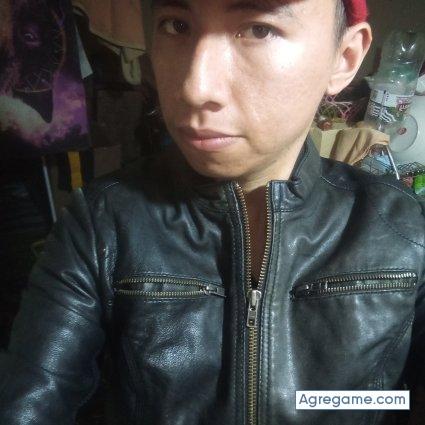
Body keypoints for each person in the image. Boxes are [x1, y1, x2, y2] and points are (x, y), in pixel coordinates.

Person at [1, 0, 424, 424]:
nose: (194, 88)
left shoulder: (404, 231)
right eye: (176, 25)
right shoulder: (102, 223)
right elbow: (30, 400)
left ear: (344, 57)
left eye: (258, 29)